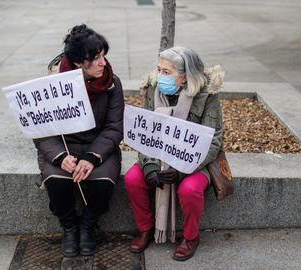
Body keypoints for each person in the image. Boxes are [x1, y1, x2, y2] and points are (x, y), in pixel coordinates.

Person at [124, 46, 224, 261]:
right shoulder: (153, 89)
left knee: (190, 190)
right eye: (159, 69)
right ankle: (145, 229)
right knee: (133, 179)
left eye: (167, 72)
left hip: (194, 163)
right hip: (157, 156)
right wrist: (149, 166)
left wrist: (182, 169)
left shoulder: (208, 96)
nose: (160, 76)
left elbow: (214, 141)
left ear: (185, 77)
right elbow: (144, 134)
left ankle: (190, 237)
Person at [33, 24, 124, 257]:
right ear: (77, 63)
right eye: (95, 58)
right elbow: (41, 128)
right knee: (58, 182)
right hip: (63, 147)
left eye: (103, 55)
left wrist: (93, 158)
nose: (103, 63)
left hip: (99, 147)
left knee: (101, 183)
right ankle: (70, 228)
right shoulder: (52, 84)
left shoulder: (113, 83)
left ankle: (88, 226)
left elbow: (114, 127)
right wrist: (60, 157)